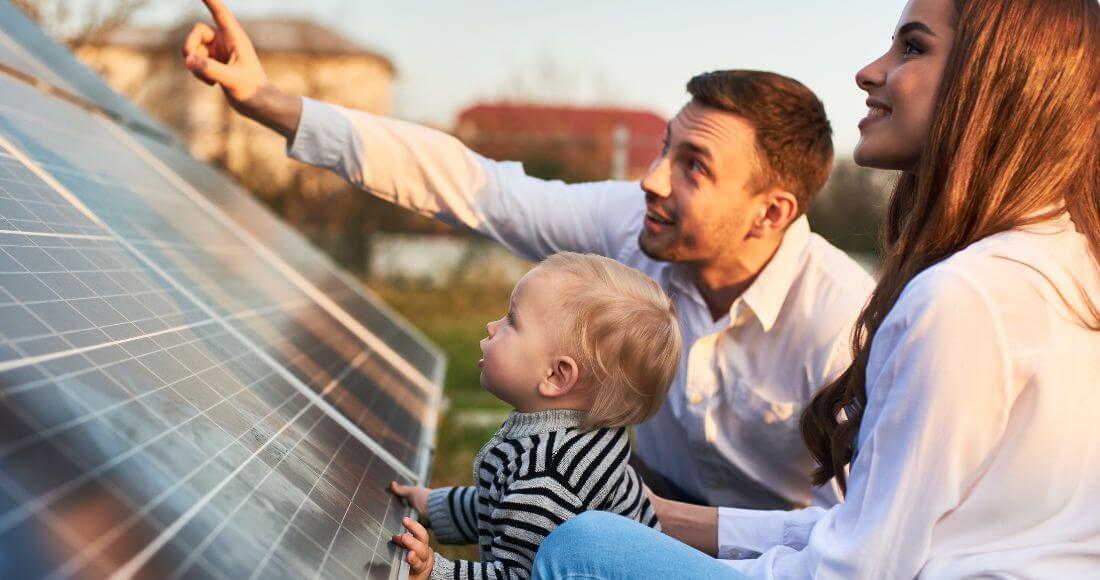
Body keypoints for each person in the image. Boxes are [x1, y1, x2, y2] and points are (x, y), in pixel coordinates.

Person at [182, 0, 874, 511]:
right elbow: (476, 187)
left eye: (693, 165)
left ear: (772, 212)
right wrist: (269, 102)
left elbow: (878, 532)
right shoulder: (632, 225)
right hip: (643, 510)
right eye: (666, 146)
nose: (652, 178)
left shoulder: (845, 324)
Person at [529, 0, 1100, 577]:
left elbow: (858, 568)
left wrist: (631, 546)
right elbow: (877, 524)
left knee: (584, 550)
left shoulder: (963, 298)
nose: (869, 71)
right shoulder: (1068, 258)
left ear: (997, 84)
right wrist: (660, 519)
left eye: (913, 47)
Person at [383, 252, 680, 580]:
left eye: (512, 321)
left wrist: (434, 571)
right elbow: (502, 508)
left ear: (556, 376)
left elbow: (518, 576)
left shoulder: (548, 479)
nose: (492, 327)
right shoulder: (574, 436)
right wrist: (433, 506)